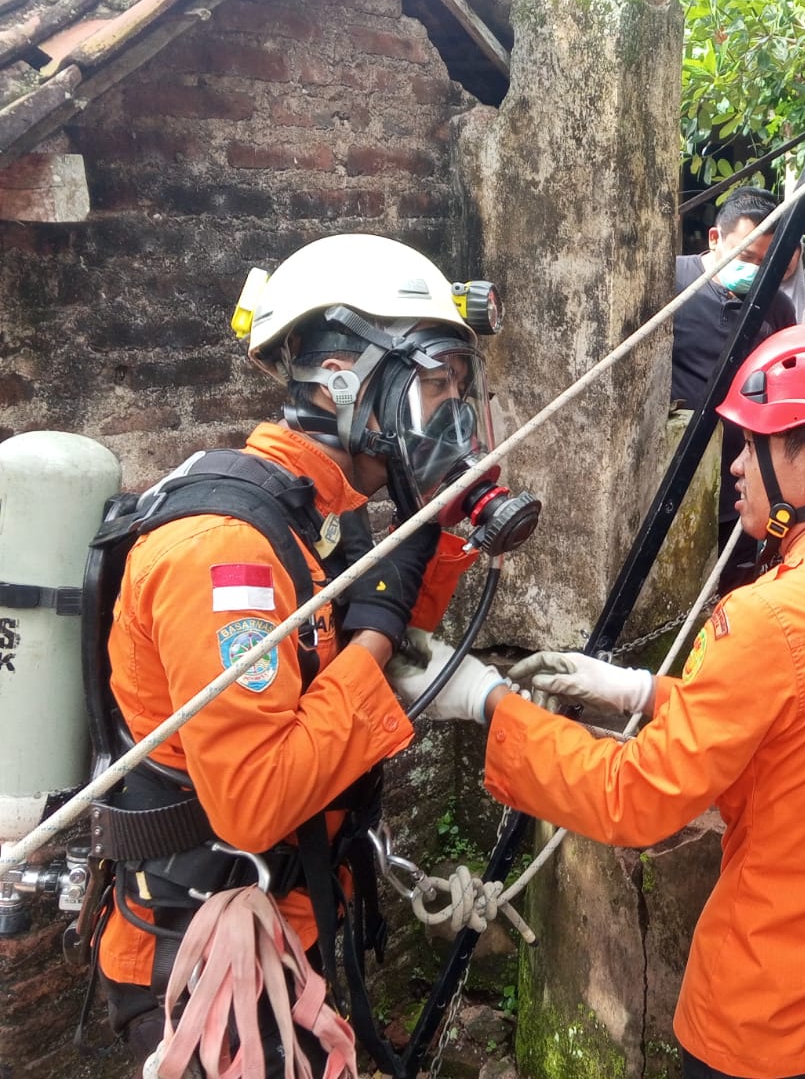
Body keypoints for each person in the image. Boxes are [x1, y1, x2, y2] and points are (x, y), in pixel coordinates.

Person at [432, 324, 805, 1079]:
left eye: (753, 445)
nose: (736, 467)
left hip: (784, 1016)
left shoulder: (769, 618)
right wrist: (644, 691)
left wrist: (488, 704)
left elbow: (633, 800)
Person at [94, 235, 485, 1070]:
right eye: (434, 387)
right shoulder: (224, 550)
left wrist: (440, 537)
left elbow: (348, 656)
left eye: (458, 391)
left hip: (281, 925)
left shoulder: (315, 515)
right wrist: (376, 630)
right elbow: (255, 800)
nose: (451, 416)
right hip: (206, 962)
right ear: (344, 377)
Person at [669, 186, 798, 593]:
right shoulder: (673, 283)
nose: (756, 271)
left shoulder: (776, 308)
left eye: (767, 263)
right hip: (675, 478)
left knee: (734, 590)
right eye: (745, 257)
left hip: (741, 485)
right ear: (715, 239)